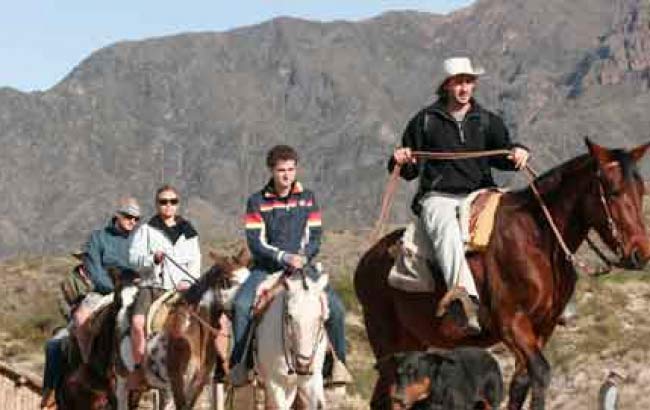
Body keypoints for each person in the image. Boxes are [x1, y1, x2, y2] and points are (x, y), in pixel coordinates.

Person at [389, 57, 529, 332]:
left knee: (518, 220)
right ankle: (464, 301)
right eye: (458, 82)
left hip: (481, 193)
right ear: (446, 86)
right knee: (446, 231)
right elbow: (408, 170)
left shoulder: (488, 121)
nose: (464, 88)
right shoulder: (425, 121)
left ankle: (535, 292)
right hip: (438, 195)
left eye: (468, 81)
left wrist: (518, 151)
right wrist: (401, 158)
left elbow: (503, 155)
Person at [231, 144, 349, 382]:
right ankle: (241, 365)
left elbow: (315, 236)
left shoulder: (308, 198)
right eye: (281, 170)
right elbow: (255, 242)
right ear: (271, 171)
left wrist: (304, 256)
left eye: (291, 169)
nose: (286, 175)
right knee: (242, 305)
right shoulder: (256, 202)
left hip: (303, 267)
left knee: (336, 309)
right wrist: (283, 257)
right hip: (266, 268)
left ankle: (337, 365)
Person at [41, 197, 141, 408]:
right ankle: (89, 365)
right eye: (129, 217)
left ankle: (143, 369)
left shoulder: (140, 240)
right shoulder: (98, 238)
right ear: (118, 216)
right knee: (80, 318)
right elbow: (95, 270)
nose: (133, 221)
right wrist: (113, 289)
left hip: (134, 291)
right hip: (103, 291)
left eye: (136, 218)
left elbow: (145, 266)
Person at [128, 185, 201, 378]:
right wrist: (153, 259)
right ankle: (139, 369)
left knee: (210, 318)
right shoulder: (146, 230)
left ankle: (211, 364)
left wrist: (187, 282)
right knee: (137, 322)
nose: (168, 206)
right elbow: (134, 259)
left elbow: (195, 262)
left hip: (182, 288)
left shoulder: (189, 232)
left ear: (178, 204)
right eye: (163, 202)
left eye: (173, 201)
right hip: (153, 286)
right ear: (157, 204)